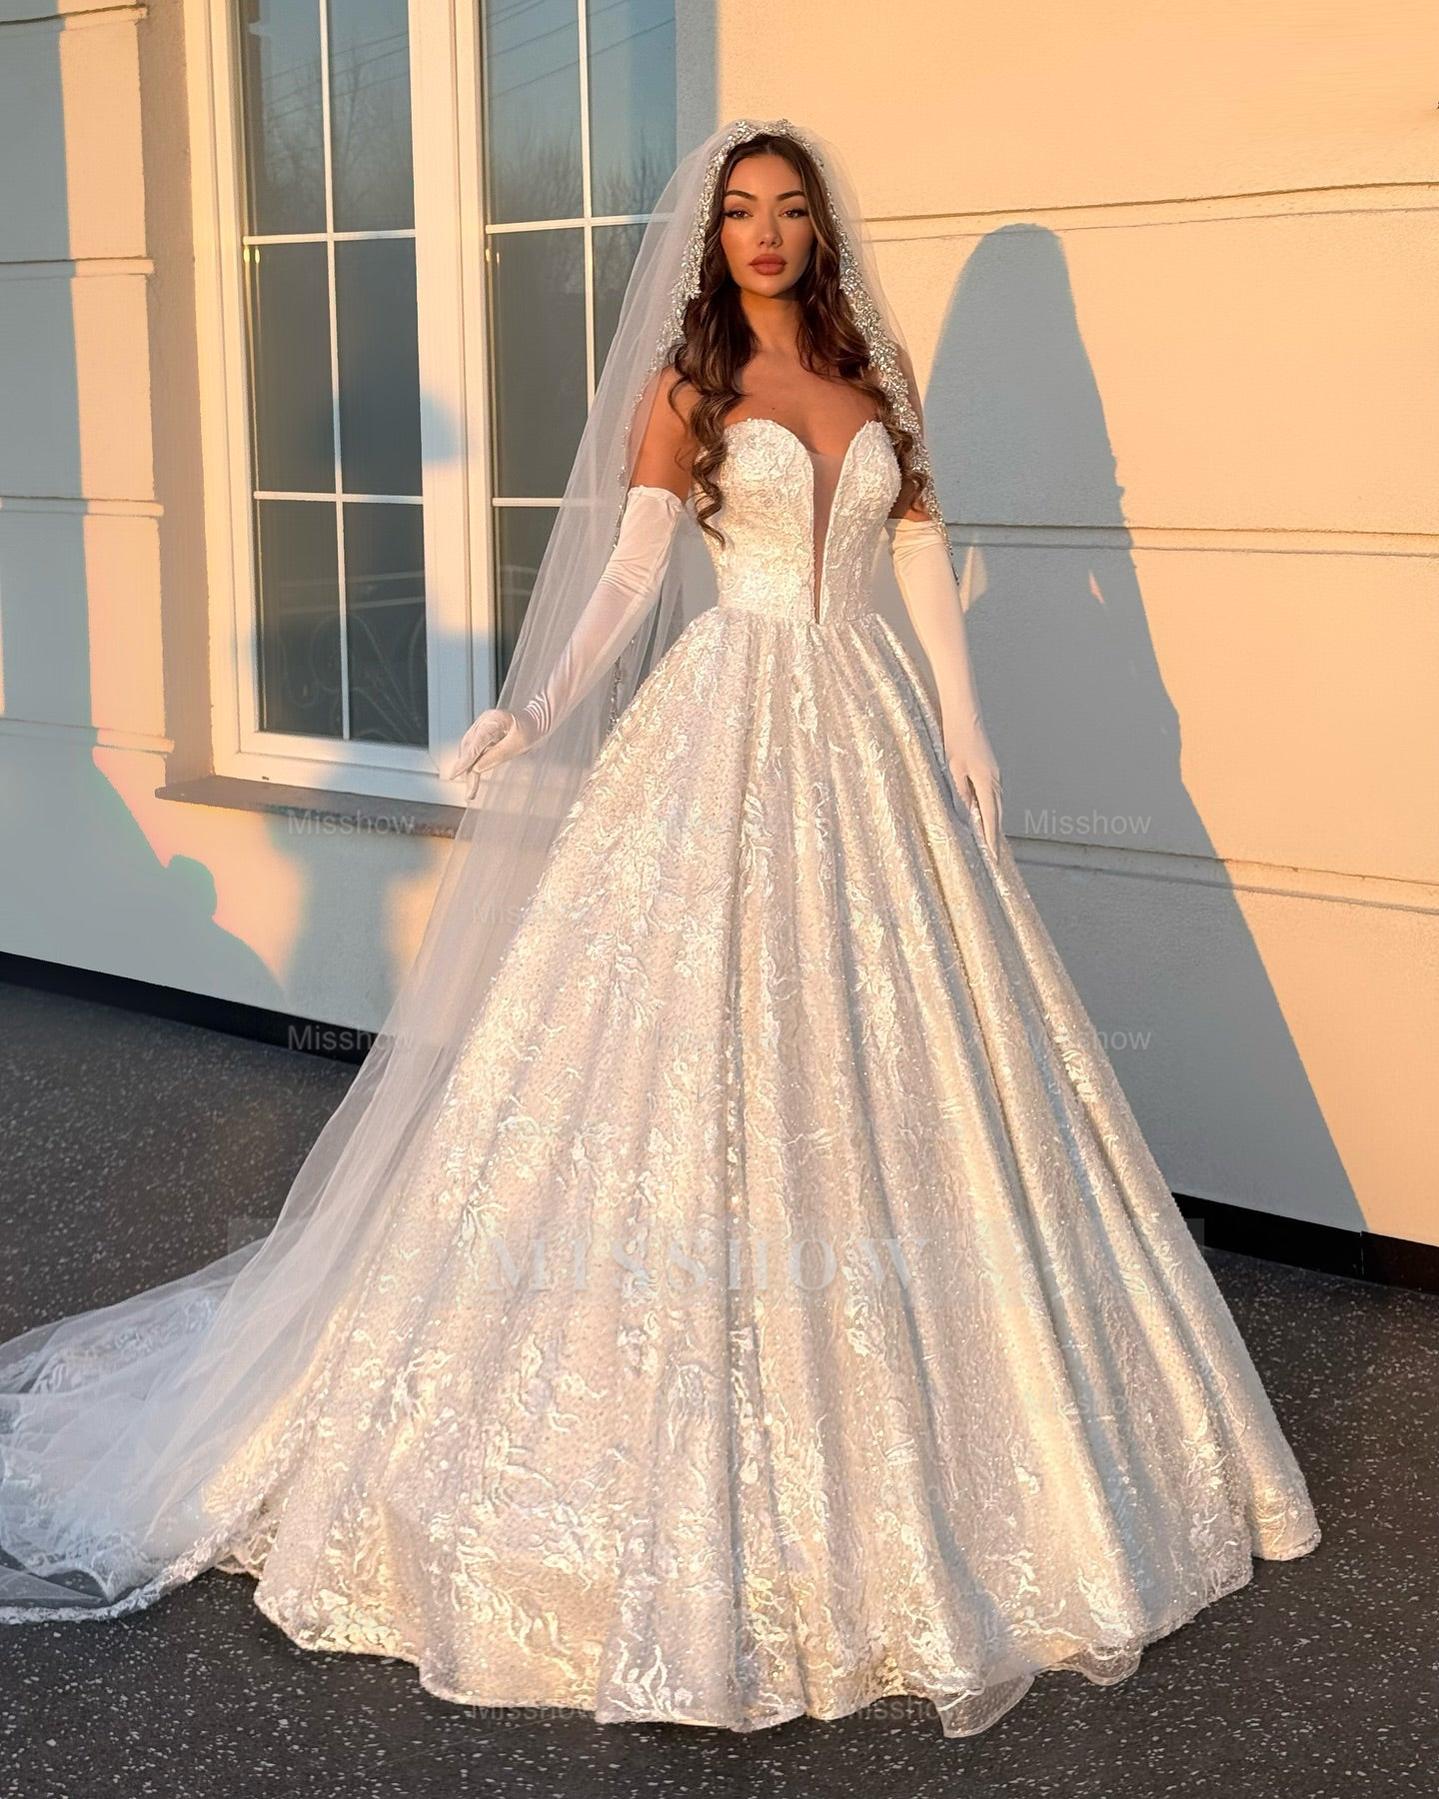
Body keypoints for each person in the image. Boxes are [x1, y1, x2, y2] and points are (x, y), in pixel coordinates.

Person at [0, 118, 1319, 1739]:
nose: (765, 232)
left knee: (911, 1055)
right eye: (741, 210)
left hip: (868, 726)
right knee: (674, 1047)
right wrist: (537, 706)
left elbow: (920, 553)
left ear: (822, 232)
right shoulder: (690, 386)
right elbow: (628, 577)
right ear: (714, 236)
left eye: (790, 209)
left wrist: (970, 727)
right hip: (725, 721)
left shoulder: (874, 381)